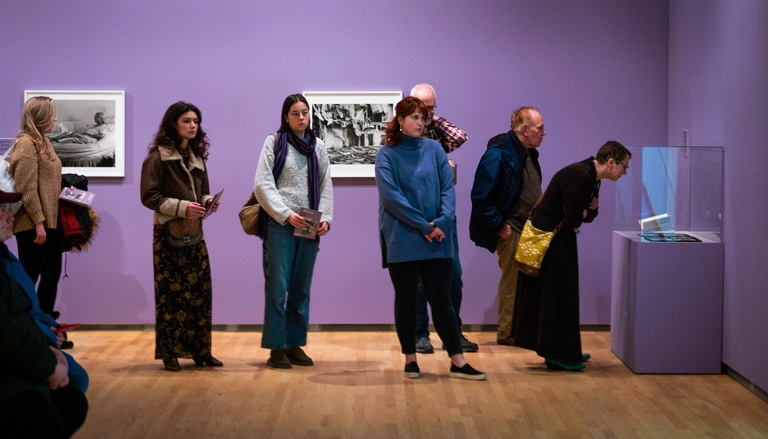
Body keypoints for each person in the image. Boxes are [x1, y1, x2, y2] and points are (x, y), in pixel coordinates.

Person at [375, 96, 486, 380]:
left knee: (443, 299)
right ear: (400, 120)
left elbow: (447, 189)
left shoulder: (435, 149)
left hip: (438, 237)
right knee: (407, 299)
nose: (419, 123)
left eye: (423, 118)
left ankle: (457, 361)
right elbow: (392, 199)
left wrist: (443, 221)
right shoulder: (387, 154)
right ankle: (410, 359)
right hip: (404, 237)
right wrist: (425, 225)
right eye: (413, 117)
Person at [511, 140, 632, 371]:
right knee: (555, 296)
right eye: (624, 166)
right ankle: (556, 354)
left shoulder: (590, 177)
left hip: (558, 238)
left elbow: (588, 213)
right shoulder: (582, 176)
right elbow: (578, 216)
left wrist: (585, 211)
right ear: (610, 162)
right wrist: (585, 210)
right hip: (553, 240)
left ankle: (566, 351)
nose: (625, 172)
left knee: (562, 295)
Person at [140, 101, 223, 372]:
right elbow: (148, 196)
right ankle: (170, 353)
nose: (193, 126)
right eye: (187, 120)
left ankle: (200, 351)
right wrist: (182, 207)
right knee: (170, 296)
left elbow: (203, 191)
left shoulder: (197, 157)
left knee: (200, 292)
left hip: (194, 232)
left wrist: (208, 201)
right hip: (167, 233)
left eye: (196, 121)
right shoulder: (157, 158)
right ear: (173, 123)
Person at [254, 94, 334, 369]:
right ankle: (276, 347)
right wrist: (287, 215)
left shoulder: (318, 147)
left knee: (301, 288)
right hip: (280, 224)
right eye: (295, 113)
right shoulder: (274, 143)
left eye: (305, 112)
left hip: (310, 222)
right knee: (278, 288)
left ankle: (294, 344)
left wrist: (326, 218)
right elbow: (262, 185)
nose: (302, 118)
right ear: (285, 117)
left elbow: (325, 184)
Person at [0, 189, 88, 438]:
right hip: (13, 367)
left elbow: (23, 312)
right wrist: (48, 360)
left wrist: (48, 338)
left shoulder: (6, 259)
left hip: (26, 349)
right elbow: (7, 331)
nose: (9, 218)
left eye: (8, 211)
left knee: (73, 397)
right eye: (2, 212)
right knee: (61, 400)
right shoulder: (27, 149)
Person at [409, 83, 477, 354]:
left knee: (453, 277)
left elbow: (460, 136)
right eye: (420, 107)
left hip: (444, 216)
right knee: (418, 281)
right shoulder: (401, 134)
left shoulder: (436, 131)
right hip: (416, 218)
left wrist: (431, 116)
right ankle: (419, 334)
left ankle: (453, 332)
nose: (425, 113)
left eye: (431, 106)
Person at [469, 107, 546, 346]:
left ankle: (521, 331)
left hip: (529, 230)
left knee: (527, 283)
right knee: (513, 284)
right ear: (525, 129)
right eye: (540, 128)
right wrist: (500, 227)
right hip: (511, 229)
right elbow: (481, 198)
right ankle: (507, 333)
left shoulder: (527, 153)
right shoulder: (499, 153)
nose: (544, 133)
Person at [9, 96, 64, 321]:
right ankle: (28, 328)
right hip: (33, 224)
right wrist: (39, 223)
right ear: (40, 117)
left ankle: (46, 326)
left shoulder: (44, 142)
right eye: (51, 114)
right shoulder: (25, 144)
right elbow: (26, 188)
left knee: (51, 276)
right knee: (29, 278)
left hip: (48, 223)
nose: (55, 118)